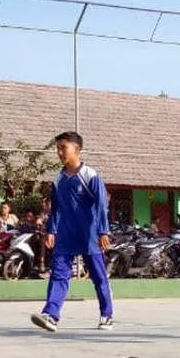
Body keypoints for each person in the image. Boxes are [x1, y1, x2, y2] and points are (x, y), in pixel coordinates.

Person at [30, 131, 115, 332]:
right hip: (66, 235)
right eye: (57, 148)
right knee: (59, 275)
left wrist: (103, 231)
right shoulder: (58, 178)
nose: (59, 152)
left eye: (63, 148)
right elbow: (56, 207)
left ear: (77, 150)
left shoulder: (91, 176)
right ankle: (51, 315)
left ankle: (107, 315)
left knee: (98, 276)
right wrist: (51, 229)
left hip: (89, 235)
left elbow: (102, 205)